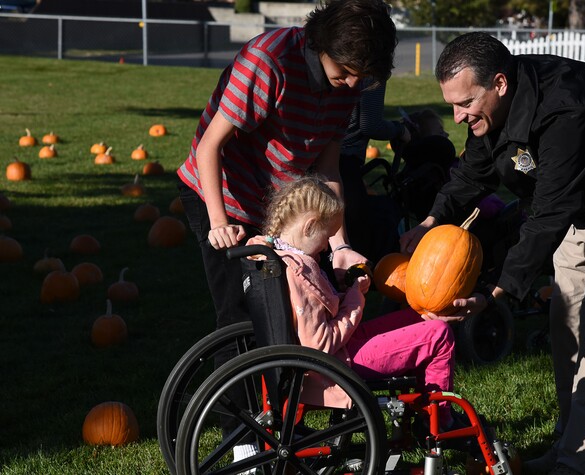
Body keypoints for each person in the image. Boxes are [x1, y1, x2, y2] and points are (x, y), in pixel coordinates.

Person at [400, 32, 585, 475]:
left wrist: (498, 291)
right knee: (567, 324)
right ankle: (567, 442)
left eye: (465, 104)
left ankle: (579, 464)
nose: (457, 116)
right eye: (452, 105)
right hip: (583, 203)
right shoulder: (492, 107)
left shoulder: (566, 110)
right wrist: (430, 222)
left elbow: (552, 213)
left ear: (498, 83)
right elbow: (474, 172)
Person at [176, 0, 397, 465]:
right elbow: (211, 145)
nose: (354, 84)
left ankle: (283, 430)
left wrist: (340, 243)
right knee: (239, 319)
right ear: (322, 47)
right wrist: (220, 223)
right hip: (221, 194)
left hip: (282, 205)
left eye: (365, 76)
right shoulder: (269, 61)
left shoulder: (348, 83)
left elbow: (328, 165)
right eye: (346, 73)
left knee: (288, 318)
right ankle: (241, 444)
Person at [247, 175, 466, 434]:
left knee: (420, 317)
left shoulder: (277, 257)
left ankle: (423, 411)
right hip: (337, 366)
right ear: (309, 226)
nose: (325, 251)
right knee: (439, 333)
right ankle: (439, 422)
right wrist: (355, 299)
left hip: (340, 351)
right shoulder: (300, 272)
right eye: (326, 237)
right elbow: (319, 345)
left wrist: (347, 294)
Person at [339, 79, 411, 265]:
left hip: (323, 154)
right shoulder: (373, 67)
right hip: (345, 158)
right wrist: (400, 130)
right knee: (355, 233)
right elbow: (370, 124)